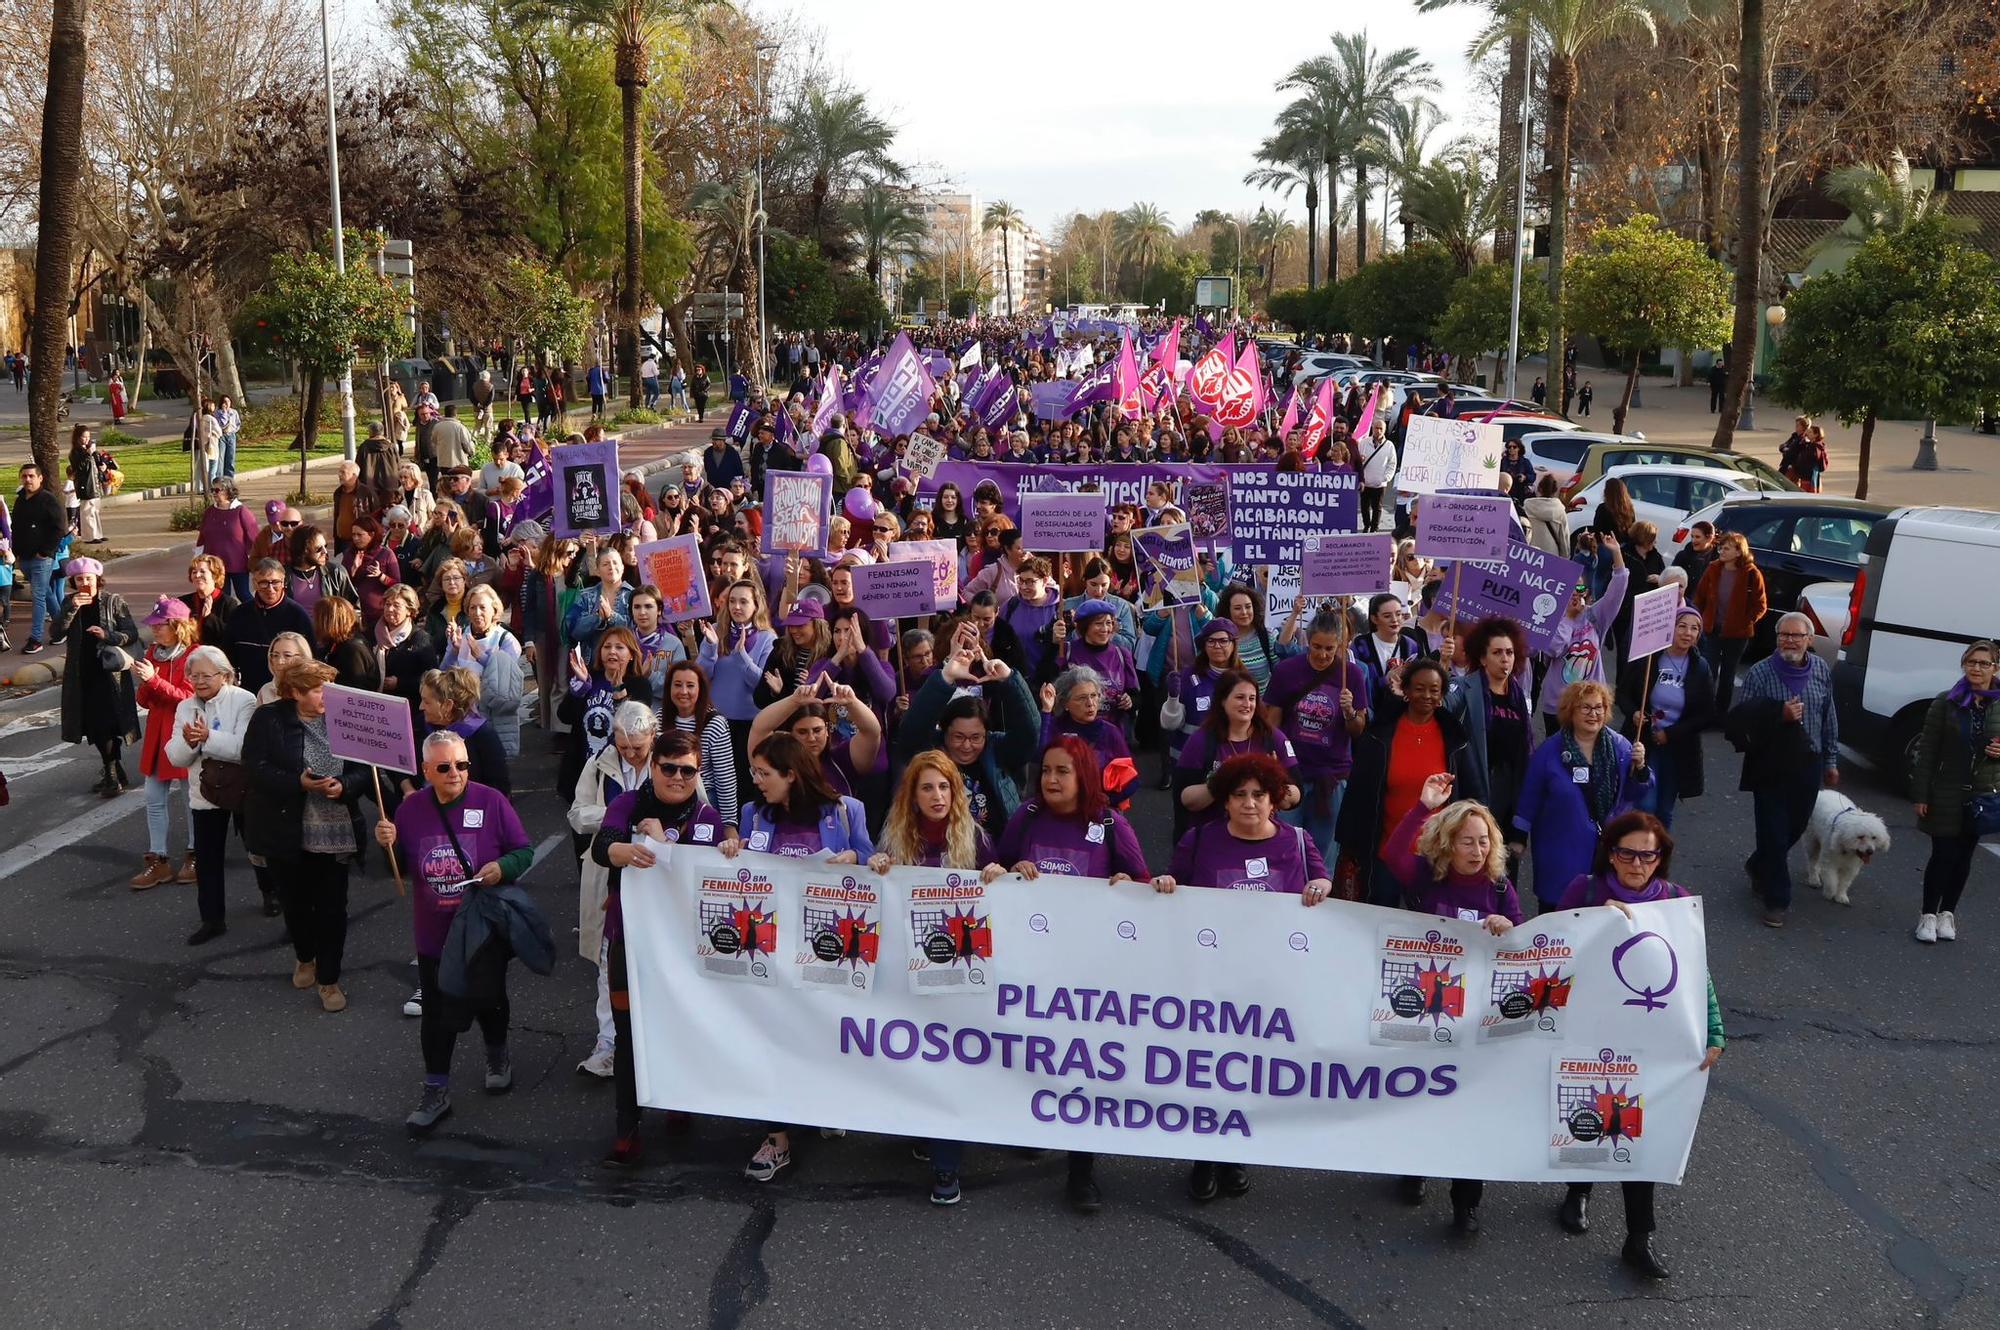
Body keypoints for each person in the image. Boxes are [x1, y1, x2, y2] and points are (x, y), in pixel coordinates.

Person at [1145, 751, 1331, 1203]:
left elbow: (1322, 883)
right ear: (1225, 802)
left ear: (1274, 801)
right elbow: (1173, 890)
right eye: (1239, 795)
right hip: (1210, 978)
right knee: (1206, 1071)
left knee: (1247, 1072)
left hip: (1268, 983)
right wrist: (1165, 885)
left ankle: (1233, 1156)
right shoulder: (1200, 839)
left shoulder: (1299, 842)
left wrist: (1322, 887)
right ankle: (1203, 1158)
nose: (1249, 803)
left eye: (1258, 795)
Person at [1555, 812, 1725, 1279]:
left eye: (1647, 854)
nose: (1636, 863)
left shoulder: (1675, 902)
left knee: (1637, 1131)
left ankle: (1638, 1238)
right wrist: (1593, 921)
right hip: (1591, 1031)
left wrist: (1714, 1031)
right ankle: (1578, 1191)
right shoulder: (1584, 891)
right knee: (1587, 1115)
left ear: (1660, 858)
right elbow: (1546, 946)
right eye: (1626, 853)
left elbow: (1696, 973)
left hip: (1651, 1040)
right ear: (1611, 853)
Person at [988, 734, 1150, 1216]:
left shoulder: (1108, 823)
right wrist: (1009, 867)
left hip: (1088, 968)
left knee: (1082, 1063)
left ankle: (1082, 1169)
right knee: (1035, 1050)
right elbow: (992, 865)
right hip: (1033, 962)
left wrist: (1126, 884)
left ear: (1083, 775)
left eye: (1063, 771)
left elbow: (1141, 880)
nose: (1051, 780)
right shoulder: (1028, 816)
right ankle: (1033, 1126)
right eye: (1047, 771)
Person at [722, 731, 873, 1181]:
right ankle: (777, 1137)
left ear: (791, 775)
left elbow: (873, 859)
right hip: (770, 951)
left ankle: (824, 1101)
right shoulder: (753, 814)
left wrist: (856, 859)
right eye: (754, 772)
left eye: (764, 774)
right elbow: (741, 867)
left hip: (828, 949)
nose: (757, 781)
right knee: (773, 1039)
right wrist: (732, 851)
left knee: (824, 1034)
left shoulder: (846, 811)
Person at [1379, 773, 1523, 1233]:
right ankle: (1413, 1167)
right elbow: (1392, 855)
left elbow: (1523, 949)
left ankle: (1466, 1202)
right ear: (1448, 844)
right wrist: (1423, 807)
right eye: (1467, 841)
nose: (1477, 851)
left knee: (1470, 1110)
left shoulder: (1500, 890)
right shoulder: (1427, 878)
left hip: (1477, 1019)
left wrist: (1508, 928)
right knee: (1420, 1097)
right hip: (1425, 1011)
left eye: (1483, 842)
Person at [379, 729, 536, 1135]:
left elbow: (523, 850)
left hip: (483, 929)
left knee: (489, 998)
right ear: (427, 770)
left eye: (462, 765)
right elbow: (398, 870)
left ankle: (497, 1053)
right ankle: (436, 1089)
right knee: (436, 1012)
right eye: (445, 767)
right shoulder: (410, 810)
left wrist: (502, 868)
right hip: (435, 934)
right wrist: (389, 845)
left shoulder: (491, 801)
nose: (455, 773)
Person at [595, 730, 733, 1164]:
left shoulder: (709, 817)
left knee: (682, 1025)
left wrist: (673, 844)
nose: (677, 777)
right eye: (668, 768)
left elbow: (714, 877)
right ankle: (626, 1127)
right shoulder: (629, 804)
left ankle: (679, 1100)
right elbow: (603, 845)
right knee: (628, 1033)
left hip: (686, 947)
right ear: (653, 767)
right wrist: (624, 847)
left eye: (687, 770)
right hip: (630, 939)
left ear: (698, 772)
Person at [866, 753, 995, 1206]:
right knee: (915, 1056)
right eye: (927, 788)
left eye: (944, 787)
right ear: (912, 796)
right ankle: (925, 1129)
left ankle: (946, 1164)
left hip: (960, 975)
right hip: (909, 973)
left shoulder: (975, 838)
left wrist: (997, 876)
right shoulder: (898, 839)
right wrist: (877, 867)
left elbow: (1005, 896)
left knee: (950, 1062)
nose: (937, 797)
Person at [242, 660, 369, 1013]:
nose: (327, 695)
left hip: (335, 829)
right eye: (318, 689)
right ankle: (305, 956)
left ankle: (329, 980)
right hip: (285, 828)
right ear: (295, 692)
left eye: (329, 686)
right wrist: (297, 783)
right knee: (296, 904)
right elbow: (255, 767)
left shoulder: (344, 716)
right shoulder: (268, 719)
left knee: (332, 909)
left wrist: (344, 785)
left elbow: (364, 770)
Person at [1726, 612, 1838, 929]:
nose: (1789, 641)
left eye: (1796, 636)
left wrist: (1830, 761)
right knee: (1773, 831)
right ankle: (1777, 899)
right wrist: (1780, 715)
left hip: (1808, 762)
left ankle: (1759, 864)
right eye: (1784, 635)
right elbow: (1740, 719)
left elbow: (1829, 714)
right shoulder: (1761, 673)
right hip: (1770, 763)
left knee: (1796, 826)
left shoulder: (1820, 670)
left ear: (1810, 640)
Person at [569, 701, 660, 1079]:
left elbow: (699, 808)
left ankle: (655, 1042)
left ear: (653, 736)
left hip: (657, 878)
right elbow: (577, 813)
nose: (631, 754)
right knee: (609, 961)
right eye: (624, 747)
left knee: (655, 962)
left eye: (638, 747)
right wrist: (617, 815)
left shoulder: (670, 763)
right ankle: (608, 1042)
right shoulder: (600, 763)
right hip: (610, 876)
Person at [1338, 658, 1472, 905]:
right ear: (1406, 691)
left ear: (1442, 694)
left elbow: (1469, 795)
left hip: (1435, 857)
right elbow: (1359, 793)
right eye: (1419, 688)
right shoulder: (1380, 736)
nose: (1427, 696)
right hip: (1385, 854)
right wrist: (1350, 844)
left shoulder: (1455, 738)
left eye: (1434, 690)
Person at [1515, 680, 1651, 911]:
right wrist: (1518, 837)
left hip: (1606, 850)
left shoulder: (1620, 747)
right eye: (1585, 707)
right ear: (1570, 711)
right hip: (1558, 850)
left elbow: (1634, 792)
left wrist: (1640, 769)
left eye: (1599, 707)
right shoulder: (1550, 750)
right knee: (1556, 918)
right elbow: (1530, 794)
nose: (1593, 714)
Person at [163, 645, 257, 945]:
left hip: (242, 787)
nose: (200, 681)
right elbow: (175, 758)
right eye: (194, 676)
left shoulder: (244, 700)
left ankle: (271, 894)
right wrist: (191, 743)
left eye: (207, 675)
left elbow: (245, 749)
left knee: (258, 847)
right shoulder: (185, 707)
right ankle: (212, 919)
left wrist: (208, 738)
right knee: (208, 858)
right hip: (205, 791)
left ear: (225, 675)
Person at [1910, 641, 2000, 943]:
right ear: (1964, 665)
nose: (1976, 668)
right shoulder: (1945, 702)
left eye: (1984, 663)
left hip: (1981, 796)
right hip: (1946, 791)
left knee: (1964, 857)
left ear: (1995, 668)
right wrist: (1921, 794)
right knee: (1943, 855)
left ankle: (1948, 913)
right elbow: (1928, 751)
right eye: (1971, 662)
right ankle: (1928, 916)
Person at [1445, 617, 1533, 867]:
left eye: (1509, 652)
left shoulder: (1517, 695)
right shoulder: (1463, 688)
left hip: (1508, 800)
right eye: (1497, 652)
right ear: (1482, 658)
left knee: (1504, 876)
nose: (1505, 658)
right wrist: (1440, 663)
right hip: (1473, 794)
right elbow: (1441, 707)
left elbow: (1525, 752)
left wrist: (1520, 830)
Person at [1616, 607, 1713, 827]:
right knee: (1645, 804)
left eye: (1694, 628)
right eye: (1682, 626)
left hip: (1678, 746)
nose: (1688, 633)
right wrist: (1634, 712)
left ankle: (1659, 857)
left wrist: (1670, 734)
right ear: (1671, 627)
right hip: (1645, 742)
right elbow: (1622, 693)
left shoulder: (1700, 668)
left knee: (1664, 809)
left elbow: (1706, 714)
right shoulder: (1648, 658)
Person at [128, 597, 200, 887]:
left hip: (184, 733)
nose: (154, 630)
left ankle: (196, 854)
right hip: (158, 735)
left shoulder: (195, 655)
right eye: (154, 626)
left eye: (160, 625)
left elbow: (188, 696)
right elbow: (144, 700)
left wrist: (154, 681)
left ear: (177, 627)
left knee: (190, 798)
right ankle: (157, 859)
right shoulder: (153, 653)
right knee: (153, 798)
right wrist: (145, 683)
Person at [57, 556, 143, 797]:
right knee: (92, 726)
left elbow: (131, 633)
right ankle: (114, 772)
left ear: (98, 579)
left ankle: (112, 774)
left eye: (89, 578)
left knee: (108, 724)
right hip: (81, 674)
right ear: (74, 581)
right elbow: (56, 631)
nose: (85, 582)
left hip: (110, 674)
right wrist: (72, 608)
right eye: (80, 579)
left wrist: (107, 635)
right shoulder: (69, 602)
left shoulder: (114, 602)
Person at [1536, 541, 1628, 733]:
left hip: (1592, 705)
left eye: (1579, 589)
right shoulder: (1552, 618)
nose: (1575, 595)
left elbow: (1616, 592)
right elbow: (1554, 648)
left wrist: (1617, 554)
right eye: (1570, 590)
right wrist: (1568, 618)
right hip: (1558, 706)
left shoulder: (1594, 617)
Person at [560, 625, 651, 802]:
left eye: (619, 647)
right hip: (584, 768)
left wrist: (618, 692)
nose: (612, 652)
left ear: (631, 654)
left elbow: (634, 728)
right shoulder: (590, 678)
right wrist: (579, 689)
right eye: (607, 646)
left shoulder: (639, 685)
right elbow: (564, 716)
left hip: (620, 773)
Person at [440, 583, 526, 758]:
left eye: (482, 607)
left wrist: (480, 656)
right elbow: (443, 673)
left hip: (494, 719)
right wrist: (455, 650)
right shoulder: (461, 635)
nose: (477, 613)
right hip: (464, 719)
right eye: (472, 607)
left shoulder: (506, 640)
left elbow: (507, 683)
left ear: (494, 610)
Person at [1692, 530, 1767, 718]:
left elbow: (1761, 604)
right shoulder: (1713, 568)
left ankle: (1721, 714)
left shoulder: (1751, 573)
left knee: (1728, 673)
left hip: (1738, 634)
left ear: (1739, 552)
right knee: (1709, 670)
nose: (1721, 552)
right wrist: (1697, 618)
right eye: (1721, 548)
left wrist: (1746, 621)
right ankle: (1705, 712)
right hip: (1713, 629)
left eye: (1726, 549)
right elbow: (1699, 596)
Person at [13, 462, 69, 654]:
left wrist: (45, 551)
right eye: (24, 476)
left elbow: (60, 527)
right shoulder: (20, 499)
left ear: (40, 478)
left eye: (31, 476)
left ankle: (35, 639)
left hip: (42, 558)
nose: (27, 479)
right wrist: (16, 552)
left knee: (37, 596)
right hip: (24, 557)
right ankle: (62, 628)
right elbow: (17, 528)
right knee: (45, 592)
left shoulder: (47, 500)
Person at [196, 477, 263, 603]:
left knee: (243, 594)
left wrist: (258, 561)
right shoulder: (210, 512)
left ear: (228, 491)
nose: (214, 494)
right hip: (215, 565)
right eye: (212, 490)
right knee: (221, 597)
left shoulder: (241, 511)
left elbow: (254, 538)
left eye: (217, 490)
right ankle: (225, 621)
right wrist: (197, 560)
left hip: (238, 564)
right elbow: (202, 538)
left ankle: (257, 616)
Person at [376, 584, 438, 708]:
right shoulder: (373, 632)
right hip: (375, 702)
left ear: (410, 611)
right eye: (387, 604)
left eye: (396, 606)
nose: (390, 609)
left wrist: (400, 683)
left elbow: (431, 678)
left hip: (406, 706)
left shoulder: (420, 639)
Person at [286, 525, 358, 619]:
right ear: (304, 551)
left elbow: (354, 605)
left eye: (325, 546)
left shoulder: (336, 572)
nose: (325, 551)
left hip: (330, 631)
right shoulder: (283, 577)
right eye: (319, 549)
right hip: (296, 632)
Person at [1356, 419, 1396, 533]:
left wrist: (1386, 478)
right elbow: (1358, 462)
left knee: (1377, 507)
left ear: (1384, 430)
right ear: (1372, 428)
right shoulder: (1363, 443)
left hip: (1380, 483)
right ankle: (1366, 525)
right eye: (1376, 428)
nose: (1378, 431)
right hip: (1365, 481)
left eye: (1381, 429)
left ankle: (1374, 527)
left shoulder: (1389, 446)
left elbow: (1392, 463)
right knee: (1364, 506)